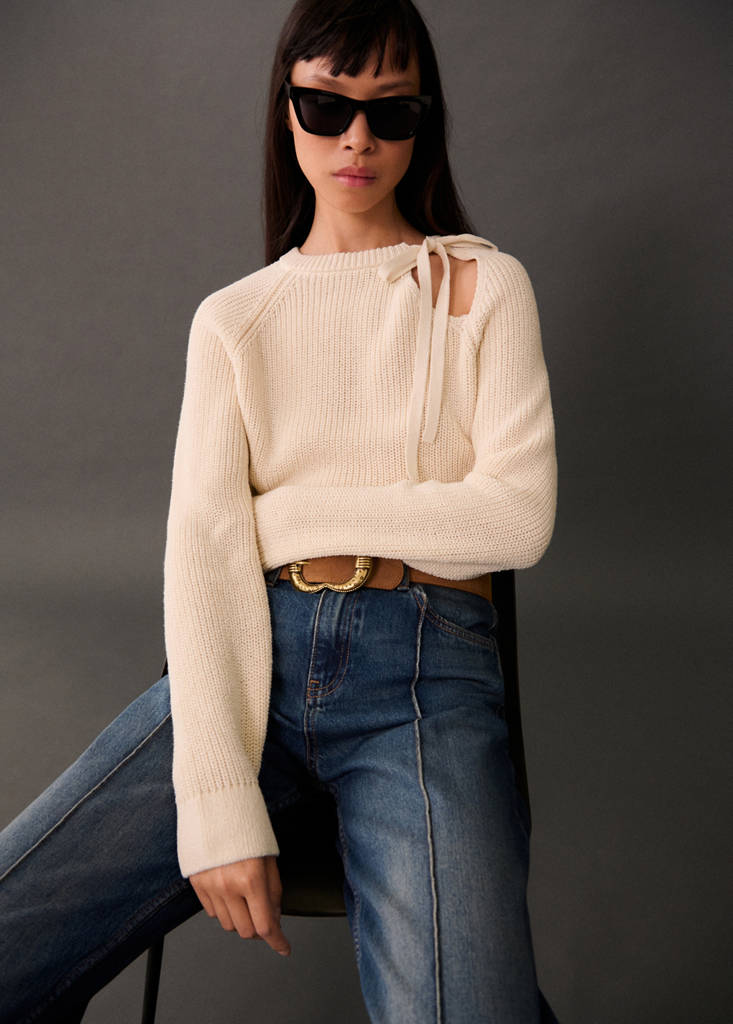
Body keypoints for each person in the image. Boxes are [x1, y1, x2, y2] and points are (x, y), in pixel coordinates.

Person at [0, 1, 560, 1021]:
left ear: (423, 124)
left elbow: (513, 520)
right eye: (326, 106)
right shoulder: (234, 319)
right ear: (284, 111)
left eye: (392, 112)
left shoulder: (482, 286)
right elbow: (205, 559)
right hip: (249, 660)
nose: (357, 139)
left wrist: (285, 515)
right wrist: (217, 802)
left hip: (425, 680)